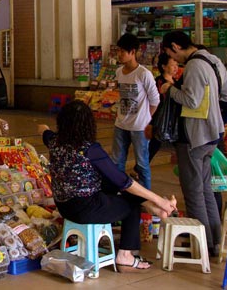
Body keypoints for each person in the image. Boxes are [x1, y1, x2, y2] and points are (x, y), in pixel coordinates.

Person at [38, 101, 177, 272]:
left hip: (65, 206)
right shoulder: (90, 150)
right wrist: (158, 199)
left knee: (112, 183)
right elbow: (124, 182)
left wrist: (45, 127)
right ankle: (125, 255)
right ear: (88, 125)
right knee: (130, 202)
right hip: (85, 209)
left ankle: (151, 206)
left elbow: (42, 129)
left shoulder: (54, 141)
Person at [160, 30, 227, 257]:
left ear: (175, 46)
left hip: (195, 137)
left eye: (170, 53)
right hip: (212, 135)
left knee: (193, 194)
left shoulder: (193, 65)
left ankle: (199, 245)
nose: (174, 60)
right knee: (205, 191)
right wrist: (219, 119)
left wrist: (170, 89)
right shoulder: (212, 59)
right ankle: (213, 243)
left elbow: (191, 100)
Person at [112, 34, 160, 189]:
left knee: (142, 165)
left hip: (139, 128)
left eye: (122, 51)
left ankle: (146, 198)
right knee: (117, 162)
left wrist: (146, 119)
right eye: (118, 51)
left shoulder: (144, 74)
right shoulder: (119, 72)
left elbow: (155, 100)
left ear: (133, 52)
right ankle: (118, 193)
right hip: (120, 125)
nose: (119, 55)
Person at [150, 52, 182, 162]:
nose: (176, 68)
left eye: (177, 65)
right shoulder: (159, 81)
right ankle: (138, 170)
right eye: (173, 65)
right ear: (163, 66)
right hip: (161, 117)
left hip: (174, 118)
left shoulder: (176, 81)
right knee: (155, 143)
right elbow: (159, 99)